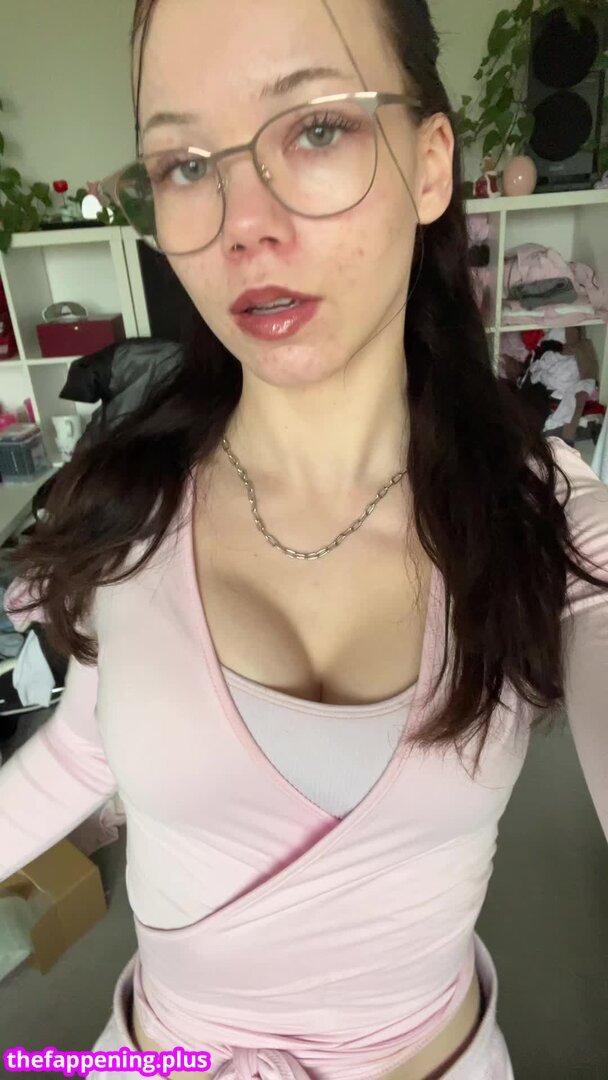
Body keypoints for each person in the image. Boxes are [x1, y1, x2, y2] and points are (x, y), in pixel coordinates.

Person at [2, 1, 608, 1078]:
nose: (243, 225)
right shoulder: (129, 500)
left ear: (430, 165)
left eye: (316, 127)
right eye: (186, 164)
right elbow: (94, 742)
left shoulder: (543, 517)